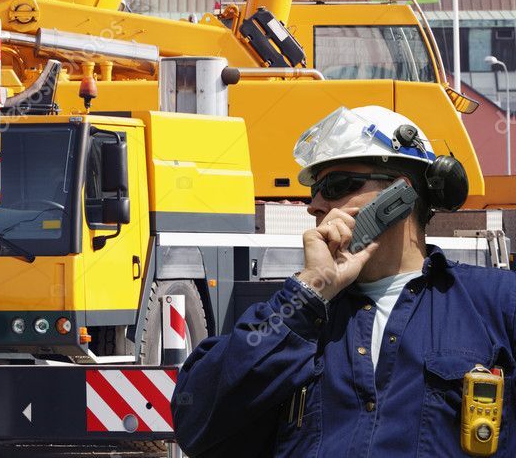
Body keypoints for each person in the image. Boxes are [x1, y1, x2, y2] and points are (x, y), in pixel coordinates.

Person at [172, 105, 516, 457]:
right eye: (314, 191)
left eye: (337, 186)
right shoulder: (295, 317)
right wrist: (311, 292)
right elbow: (195, 424)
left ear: (399, 195)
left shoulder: (497, 304)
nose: (316, 204)